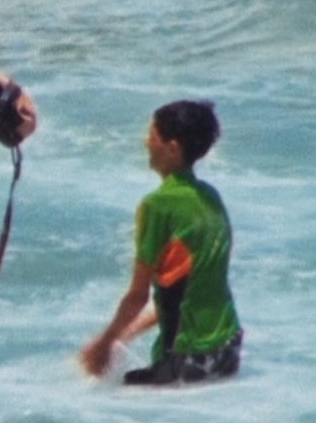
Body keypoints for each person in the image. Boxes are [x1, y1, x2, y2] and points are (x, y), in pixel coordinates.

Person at [79, 99, 243, 387]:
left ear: (172, 148)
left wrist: (103, 345)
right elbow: (196, 289)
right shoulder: (210, 197)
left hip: (188, 357)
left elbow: (138, 295)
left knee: (97, 402)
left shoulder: (158, 205)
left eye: (152, 136)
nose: (145, 143)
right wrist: (124, 334)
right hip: (228, 350)